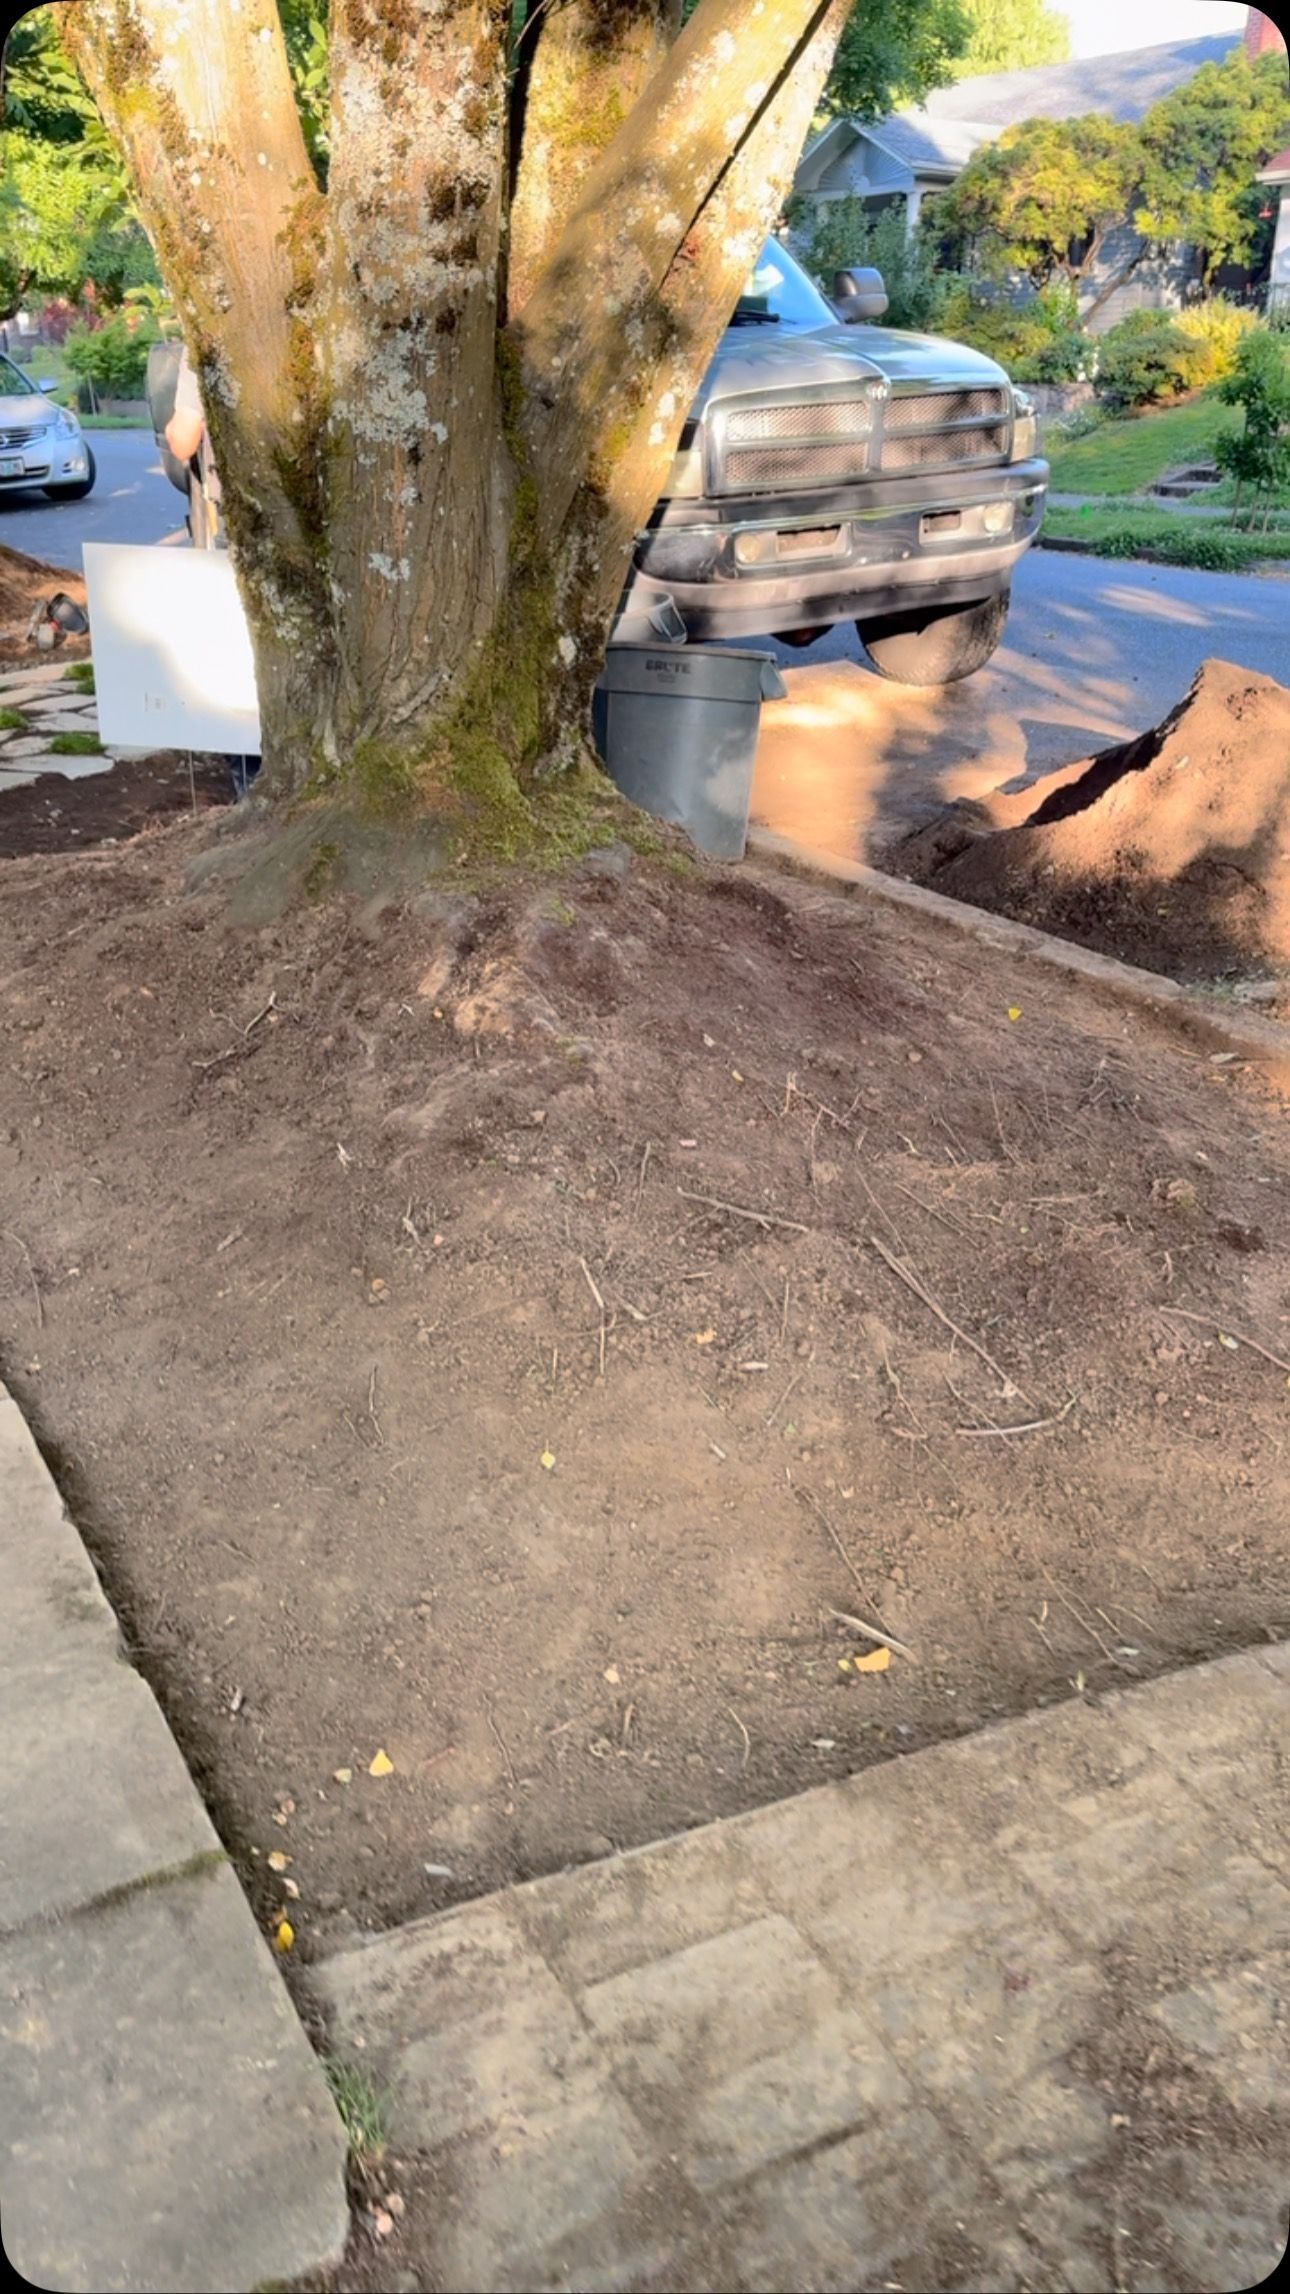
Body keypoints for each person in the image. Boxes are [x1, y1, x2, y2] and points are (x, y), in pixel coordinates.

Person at [164, 346, 259, 795]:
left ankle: (252, 785)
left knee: (242, 652)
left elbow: (183, 438)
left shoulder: (204, 339)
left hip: (239, 514)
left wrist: (170, 425)